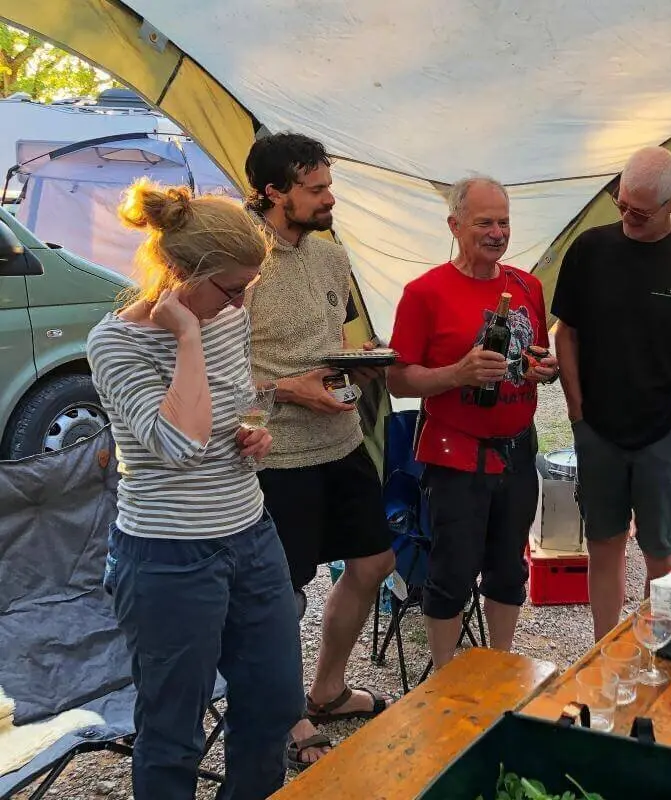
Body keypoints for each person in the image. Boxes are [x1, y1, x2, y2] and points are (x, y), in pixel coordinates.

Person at [86, 180, 302, 799]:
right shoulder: (114, 343)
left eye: (246, 291)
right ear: (179, 270)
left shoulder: (225, 318)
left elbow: (221, 412)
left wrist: (248, 435)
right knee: (172, 731)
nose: (238, 305)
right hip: (167, 557)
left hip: (250, 537)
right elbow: (176, 444)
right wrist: (184, 336)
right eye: (231, 289)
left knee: (273, 705)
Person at [242, 133, 395, 769]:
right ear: (274, 192)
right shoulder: (237, 259)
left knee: (375, 563)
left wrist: (358, 370)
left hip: (341, 440)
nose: (330, 198)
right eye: (316, 189)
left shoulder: (331, 256)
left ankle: (326, 689)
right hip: (277, 455)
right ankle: (288, 716)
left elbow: (338, 339)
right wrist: (286, 388)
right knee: (284, 592)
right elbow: (211, 374)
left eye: (329, 185)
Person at [553, 146, 671, 641]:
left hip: (664, 433)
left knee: (661, 549)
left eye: (640, 212)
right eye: (621, 206)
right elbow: (565, 333)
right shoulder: (590, 250)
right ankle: (602, 648)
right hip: (598, 430)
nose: (628, 218)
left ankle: (664, 647)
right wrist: (577, 413)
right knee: (604, 542)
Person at [387, 175, 557, 669]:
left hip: (518, 449)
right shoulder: (424, 293)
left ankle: (500, 669)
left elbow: (536, 356)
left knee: (509, 569)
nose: (497, 232)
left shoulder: (527, 286)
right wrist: (456, 373)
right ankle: (444, 675)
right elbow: (398, 380)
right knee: (452, 571)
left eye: (504, 221)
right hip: (456, 451)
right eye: (484, 222)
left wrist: (543, 369)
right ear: (455, 225)